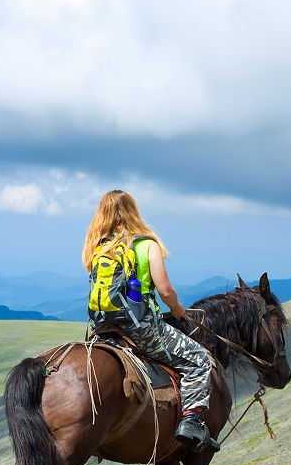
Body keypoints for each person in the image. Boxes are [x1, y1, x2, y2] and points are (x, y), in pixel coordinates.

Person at [83, 189, 217, 451]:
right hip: (140, 328)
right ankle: (191, 422)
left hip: (104, 328)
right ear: (134, 210)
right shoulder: (146, 244)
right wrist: (177, 309)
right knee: (199, 361)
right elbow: (165, 291)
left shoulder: (98, 247)